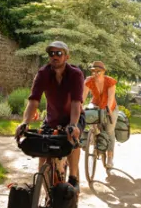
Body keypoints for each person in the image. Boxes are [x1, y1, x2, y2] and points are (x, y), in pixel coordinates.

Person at [15, 41, 85, 189]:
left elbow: (76, 103)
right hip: (52, 118)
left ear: (66, 56)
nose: (55, 56)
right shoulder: (43, 73)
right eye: (51, 53)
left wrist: (73, 125)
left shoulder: (75, 74)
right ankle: (44, 192)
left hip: (73, 116)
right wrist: (25, 123)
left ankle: (73, 178)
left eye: (59, 53)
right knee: (42, 150)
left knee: (72, 138)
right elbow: (34, 100)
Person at [82, 60, 118, 168]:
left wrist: (108, 110)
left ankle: (110, 158)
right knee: (88, 112)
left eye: (99, 71)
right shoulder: (89, 81)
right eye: (94, 71)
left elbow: (111, 98)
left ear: (103, 71)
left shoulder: (110, 81)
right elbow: (83, 97)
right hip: (95, 104)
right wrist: (79, 107)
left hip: (110, 107)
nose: (96, 73)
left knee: (109, 131)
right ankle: (91, 135)